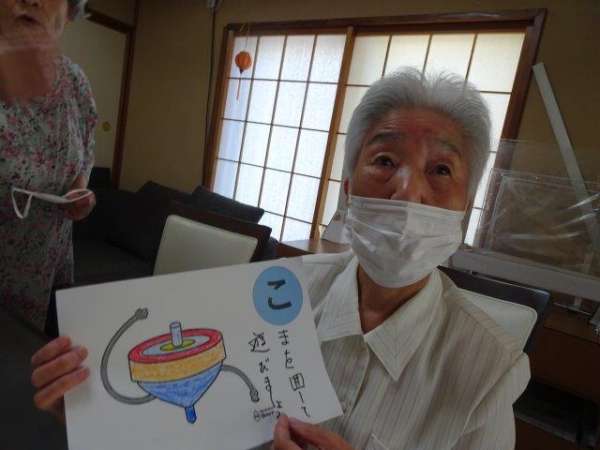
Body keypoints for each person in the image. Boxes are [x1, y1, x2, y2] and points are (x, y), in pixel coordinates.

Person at [30, 70, 530, 450]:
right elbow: (198, 424)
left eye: (440, 170)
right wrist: (96, 414)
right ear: (347, 189)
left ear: (466, 207)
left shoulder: (487, 372)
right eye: (384, 160)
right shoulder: (277, 293)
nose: (406, 192)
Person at [0, 0, 97, 335]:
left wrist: (78, 194)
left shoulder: (76, 82)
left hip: (49, 267)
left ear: (70, 12)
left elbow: (84, 155)